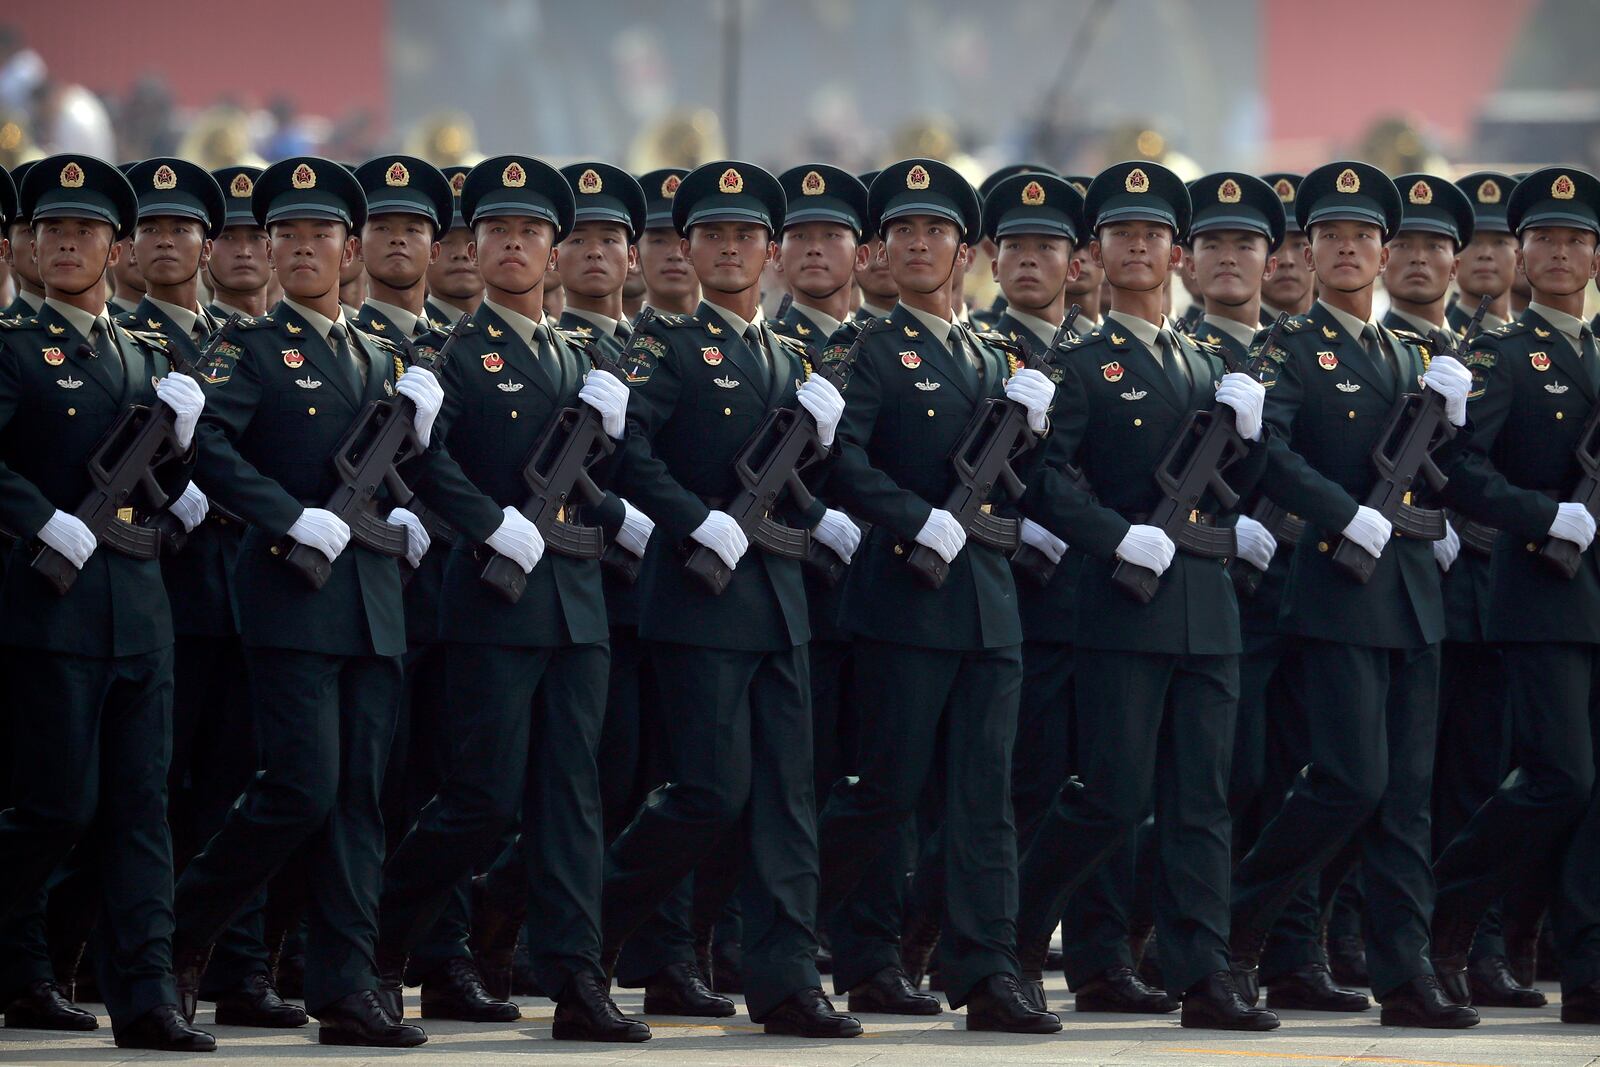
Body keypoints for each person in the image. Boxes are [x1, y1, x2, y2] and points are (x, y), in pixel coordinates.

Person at [170, 156, 439, 1048]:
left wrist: (409, 509)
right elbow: (205, 445)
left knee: (361, 798)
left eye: (318, 235)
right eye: (284, 236)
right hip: (293, 591)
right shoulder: (247, 346)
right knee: (297, 787)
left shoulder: (378, 353)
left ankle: (346, 986)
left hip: (371, 599)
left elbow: (394, 467)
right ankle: (183, 924)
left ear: (350, 248)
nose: (299, 250)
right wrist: (288, 517)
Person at [1009, 161, 1276, 1032]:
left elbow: (1240, 484)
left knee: (1202, 799)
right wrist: (1113, 534)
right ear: (1098, 254)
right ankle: (1011, 934)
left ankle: (1205, 974)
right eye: (1123, 234)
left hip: (1208, 603)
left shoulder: (1210, 366)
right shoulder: (1077, 363)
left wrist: (1255, 437)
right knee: (1111, 796)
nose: (1139, 247)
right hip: (1122, 603)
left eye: (1155, 236)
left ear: (1178, 257)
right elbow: (1044, 480)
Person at [604, 159, 862, 1039]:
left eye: (746, 236)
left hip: (781, 601)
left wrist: (823, 500)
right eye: (711, 234)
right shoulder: (664, 345)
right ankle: (581, 930)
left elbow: (793, 482)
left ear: (772, 251)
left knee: (787, 800)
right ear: (688, 248)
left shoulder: (792, 358)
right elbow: (626, 453)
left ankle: (786, 981)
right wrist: (691, 520)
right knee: (708, 792)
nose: (728, 247)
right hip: (701, 598)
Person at [1231, 160, 1478, 1029]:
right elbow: (1270, 452)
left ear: (1383, 252)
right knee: (1349, 780)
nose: (1349, 248)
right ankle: (1240, 924)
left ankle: (1405, 972)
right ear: (1312, 249)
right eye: (1332, 235)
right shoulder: (1288, 346)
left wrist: (1455, 424)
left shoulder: (1416, 354)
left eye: (1364, 237)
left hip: (1413, 588)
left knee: (1406, 794)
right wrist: (1341, 516)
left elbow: (1450, 473)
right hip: (1340, 584)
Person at [815, 157, 1059, 1033]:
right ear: (881, 250)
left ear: (967, 252)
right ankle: (835, 935)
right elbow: (838, 462)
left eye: (938, 232)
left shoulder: (999, 356)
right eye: (905, 232)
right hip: (903, 598)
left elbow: (1025, 486)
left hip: (990, 602)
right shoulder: (865, 348)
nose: (921, 244)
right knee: (886, 788)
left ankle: (987, 970)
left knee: (983, 798)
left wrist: (1033, 433)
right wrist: (912, 516)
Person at [0, 154, 214, 1051]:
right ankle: (19, 965)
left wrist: (186, 449)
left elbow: (160, 483)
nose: (65, 244)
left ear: (114, 248)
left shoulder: (145, 353)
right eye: (51, 231)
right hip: (49, 608)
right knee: (55, 806)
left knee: (139, 808)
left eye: (84, 232)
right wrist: (38, 516)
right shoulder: (12, 345)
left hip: (138, 605)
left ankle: (145, 998)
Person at [1432, 167, 1600, 1025]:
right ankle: (1450, 906)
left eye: (1576, 239)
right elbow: (1459, 468)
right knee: (1558, 777)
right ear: (1522, 254)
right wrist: (1548, 516)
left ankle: (1589, 969)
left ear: (1596, 255)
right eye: (1545, 239)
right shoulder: (1498, 354)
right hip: (1541, 590)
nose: (1560, 252)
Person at [206, 166, 272, 320]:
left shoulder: (296, 338)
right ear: (205, 249)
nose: (244, 252)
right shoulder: (194, 338)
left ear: (273, 249)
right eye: (227, 237)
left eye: (256, 237)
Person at [423, 167, 483, 326]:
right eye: (445, 241)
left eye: (473, 241)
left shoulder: (513, 334)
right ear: (429, 251)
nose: (461, 253)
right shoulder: (412, 336)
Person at [634, 169, 698, 315]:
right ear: (634, 254)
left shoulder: (739, 337)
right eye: (659, 241)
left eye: (686, 240)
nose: (675, 254)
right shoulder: (620, 338)